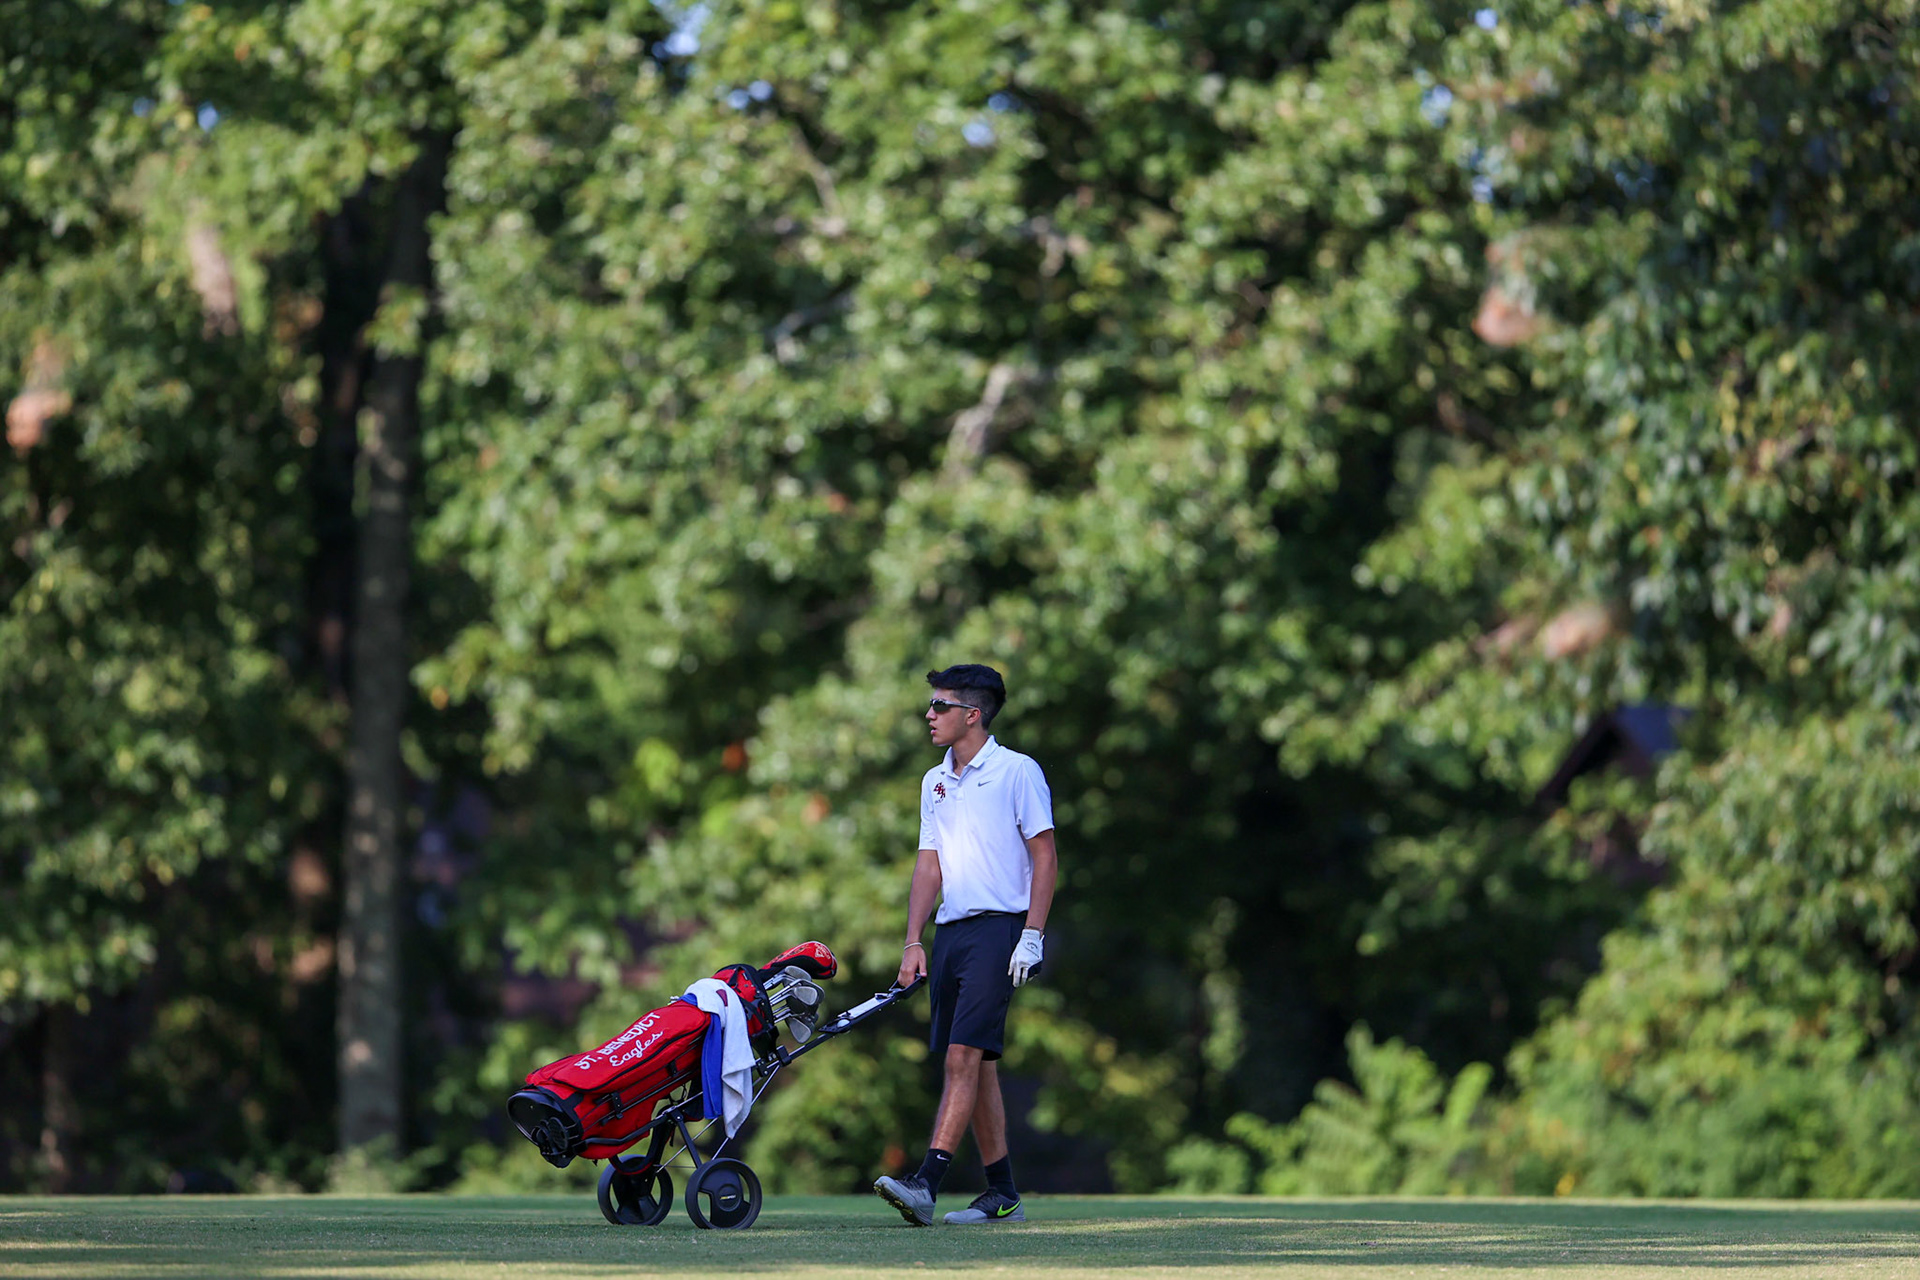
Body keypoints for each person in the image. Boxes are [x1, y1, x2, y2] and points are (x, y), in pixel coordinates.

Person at [873, 664, 1057, 1226]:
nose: (929, 715)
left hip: (999, 931)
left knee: (962, 1057)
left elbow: (1044, 856)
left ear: (971, 715)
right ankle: (1002, 1193)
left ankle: (926, 1182)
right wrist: (912, 941)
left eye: (939, 705)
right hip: (951, 933)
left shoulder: (1017, 772)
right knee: (977, 1067)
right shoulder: (934, 780)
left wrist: (1032, 934)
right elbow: (929, 864)